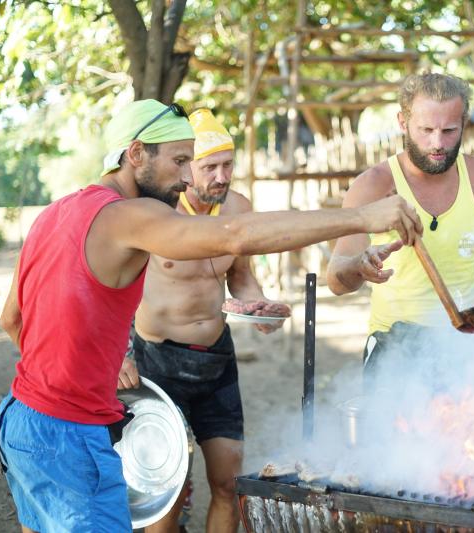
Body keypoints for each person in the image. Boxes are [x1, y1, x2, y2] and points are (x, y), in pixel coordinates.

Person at [0, 99, 422, 533]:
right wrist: (361, 217)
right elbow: (234, 236)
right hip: (71, 436)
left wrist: (72, 372)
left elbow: (12, 319)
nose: (187, 177)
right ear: (136, 153)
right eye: (180, 160)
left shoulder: (53, 213)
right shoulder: (127, 215)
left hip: (21, 421)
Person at [117, 109, 285, 533]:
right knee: (167, 493)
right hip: (158, 361)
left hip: (217, 358)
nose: (221, 176)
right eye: (210, 166)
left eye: (228, 164)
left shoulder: (239, 209)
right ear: (187, 165)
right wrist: (118, 354)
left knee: (228, 483)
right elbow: (114, 289)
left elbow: (242, 278)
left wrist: (260, 308)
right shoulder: (156, 212)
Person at [326, 73, 474, 384]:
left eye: (449, 130)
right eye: (426, 130)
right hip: (393, 347)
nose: (438, 143)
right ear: (403, 122)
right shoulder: (373, 185)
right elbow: (336, 281)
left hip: (463, 343)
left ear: (464, 123)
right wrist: (358, 267)